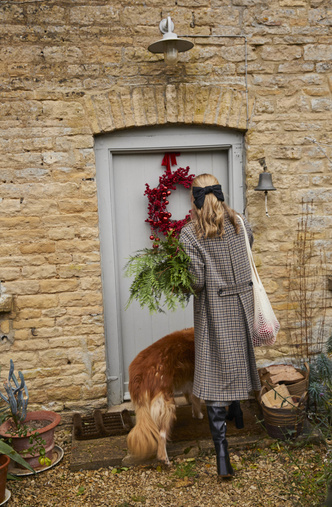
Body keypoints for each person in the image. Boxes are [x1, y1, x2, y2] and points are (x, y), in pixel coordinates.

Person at [180, 173, 261, 479]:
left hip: (215, 309)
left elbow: (197, 281)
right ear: (220, 194)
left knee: (215, 374)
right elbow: (248, 250)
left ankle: (223, 457)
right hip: (244, 305)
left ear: (195, 199)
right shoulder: (241, 222)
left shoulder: (189, 234)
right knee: (239, 358)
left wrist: (180, 276)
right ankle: (237, 411)